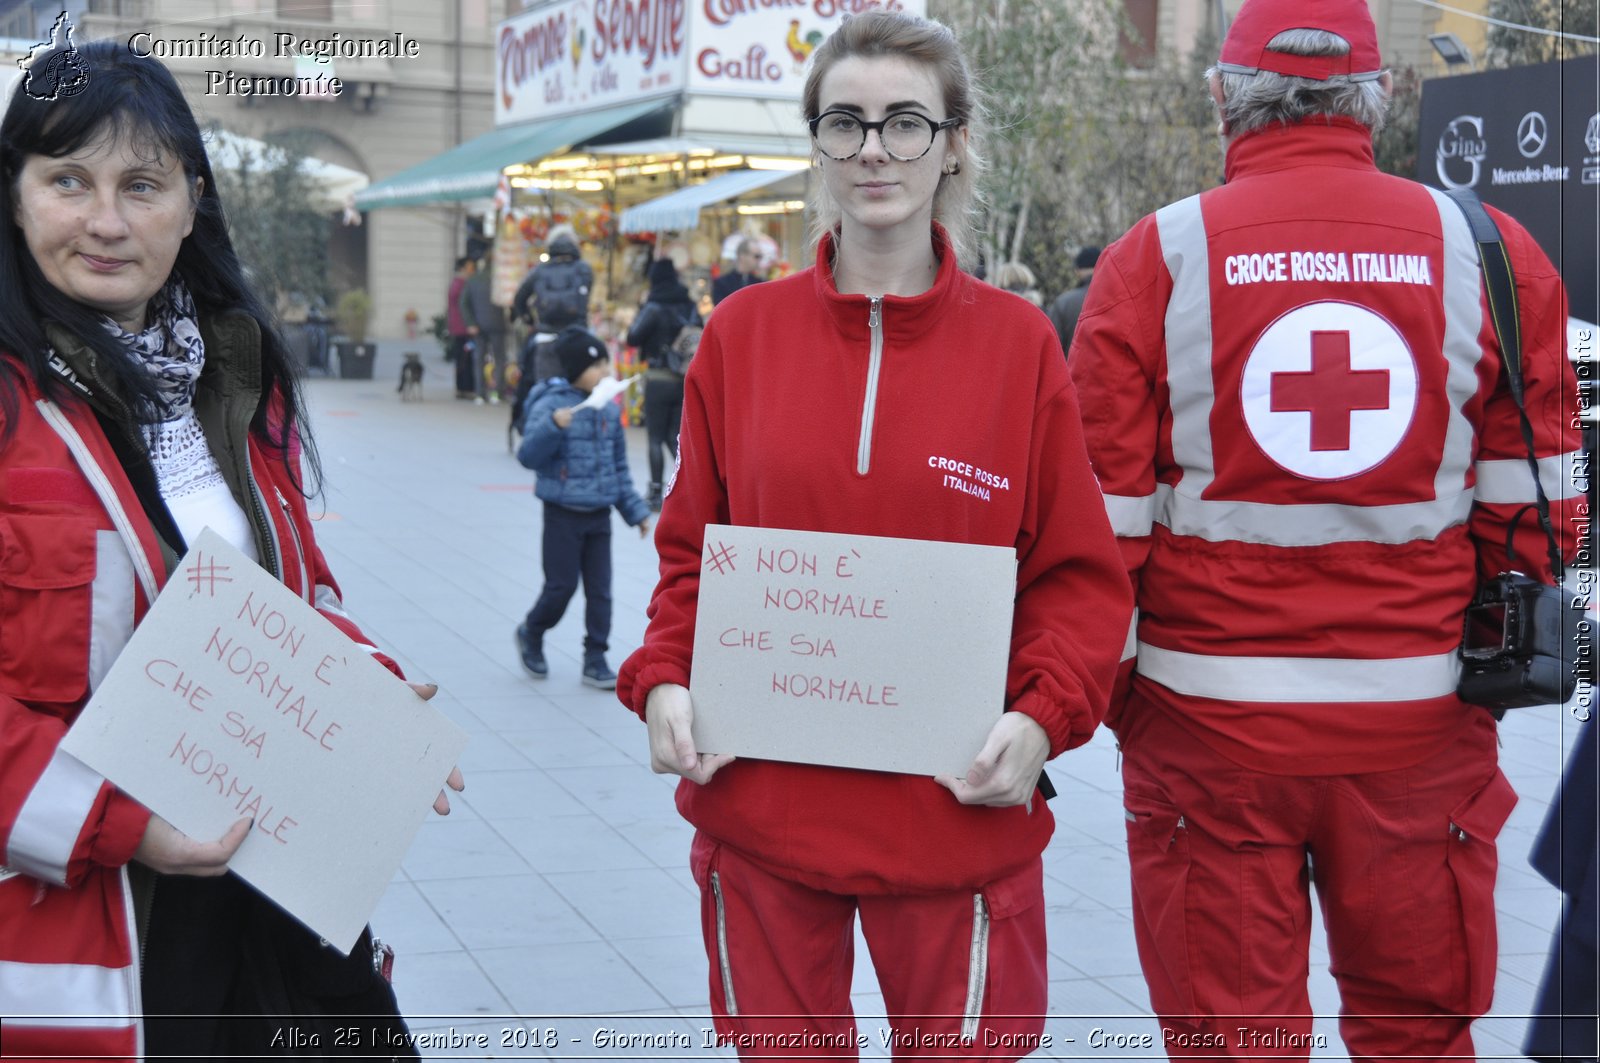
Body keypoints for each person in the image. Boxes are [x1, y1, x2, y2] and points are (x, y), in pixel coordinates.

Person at [1066, 0, 1582, 1057]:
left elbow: (1095, 538)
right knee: (1418, 1038)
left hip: (1205, 740)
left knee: (1232, 1042)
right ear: (1375, 98)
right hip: (1419, 739)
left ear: (1222, 98)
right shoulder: (1487, 250)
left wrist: (1128, 706)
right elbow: (1544, 508)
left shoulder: (1152, 258)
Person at [616, 11, 1131, 1056]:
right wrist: (664, 677)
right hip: (762, 814)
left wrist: (1040, 719)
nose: (874, 150)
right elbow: (690, 558)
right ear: (815, 143)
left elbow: (1076, 579)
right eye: (845, 123)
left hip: (955, 820)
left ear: (951, 144)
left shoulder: (1019, 345)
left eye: (904, 122)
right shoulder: (740, 337)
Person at [0, 39, 464, 1059]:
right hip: (95, 917)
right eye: (68, 180)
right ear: (16, 195)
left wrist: (367, 691)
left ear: (192, 201)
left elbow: (286, 588)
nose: (107, 220)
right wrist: (119, 822)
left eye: (143, 184)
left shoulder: (233, 375)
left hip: (277, 888)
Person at [514, 328, 651, 690]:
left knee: (601, 590)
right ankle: (532, 631)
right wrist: (552, 427)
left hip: (599, 515)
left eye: (606, 362)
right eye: (597, 364)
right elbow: (528, 455)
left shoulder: (607, 407)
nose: (606, 370)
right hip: (562, 513)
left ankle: (596, 657)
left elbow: (617, 467)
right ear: (577, 367)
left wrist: (635, 512)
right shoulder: (551, 404)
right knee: (560, 587)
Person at [626, 257, 701, 512]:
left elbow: (633, 337)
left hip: (658, 378)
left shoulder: (654, 306)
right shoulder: (689, 305)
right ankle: (690, 489)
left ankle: (656, 492)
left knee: (655, 438)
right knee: (675, 437)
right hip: (683, 378)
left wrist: (642, 306)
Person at [511, 223, 594, 385]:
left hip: (546, 336)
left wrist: (530, 320)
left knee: (546, 388)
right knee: (575, 388)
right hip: (577, 336)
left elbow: (519, 298)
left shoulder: (540, 270)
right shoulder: (584, 269)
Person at [458, 253, 507, 404]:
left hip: (478, 325)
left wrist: (471, 322)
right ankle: (497, 393)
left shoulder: (473, 280)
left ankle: (480, 393)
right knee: (499, 359)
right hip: (498, 324)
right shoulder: (501, 280)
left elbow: (463, 303)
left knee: (479, 359)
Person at [1046, 245, 1098, 352]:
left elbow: (1052, 346)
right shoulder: (1121, 299)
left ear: (1078, 271)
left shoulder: (1063, 303)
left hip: (1070, 367)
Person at [446, 255, 477, 398]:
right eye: (470, 267)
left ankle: (462, 387)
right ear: (463, 268)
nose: (472, 270)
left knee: (462, 358)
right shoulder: (461, 284)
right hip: (462, 327)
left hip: (458, 326)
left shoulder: (456, 283)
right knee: (465, 358)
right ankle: (465, 387)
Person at [710, 237, 764, 306]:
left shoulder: (759, 282)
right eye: (757, 256)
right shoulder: (722, 283)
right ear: (742, 256)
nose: (759, 260)